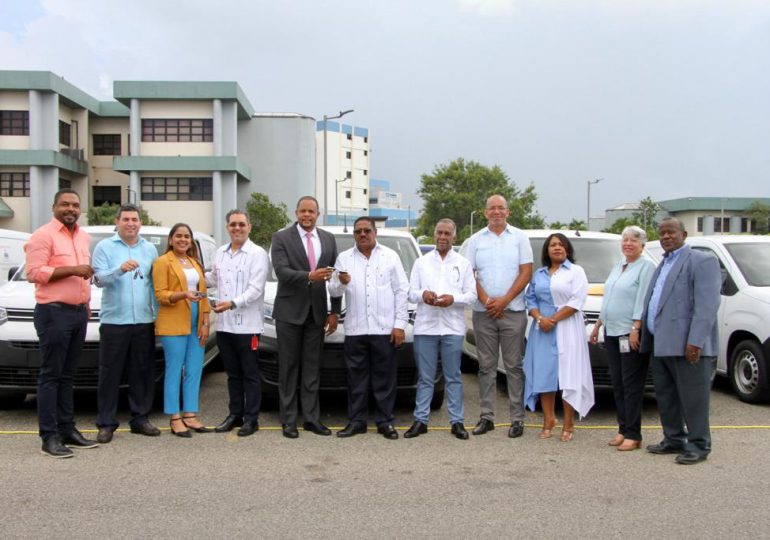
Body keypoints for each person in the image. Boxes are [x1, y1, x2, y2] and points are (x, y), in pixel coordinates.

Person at [640, 217, 721, 465]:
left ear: (684, 234)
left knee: (693, 398)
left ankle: (698, 444)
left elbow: (707, 305)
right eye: (662, 233)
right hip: (661, 342)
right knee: (666, 396)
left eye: (671, 232)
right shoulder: (662, 264)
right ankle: (674, 438)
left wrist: (695, 341)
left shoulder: (701, 261)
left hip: (688, 345)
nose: (666, 237)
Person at [25, 188, 98, 458]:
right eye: (65, 204)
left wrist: (86, 304)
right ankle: (49, 436)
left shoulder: (82, 236)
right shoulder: (43, 236)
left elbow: (84, 276)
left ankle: (68, 429)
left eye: (75, 205)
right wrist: (72, 270)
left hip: (78, 313)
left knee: (68, 376)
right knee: (51, 375)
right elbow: (34, 272)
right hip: (53, 313)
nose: (71, 209)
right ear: (54, 207)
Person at [328, 217, 409, 439]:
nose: (362, 234)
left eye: (366, 231)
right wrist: (340, 282)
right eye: (358, 232)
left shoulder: (390, 256)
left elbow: (402, 291)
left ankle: (385, 422)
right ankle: (357, 421)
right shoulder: (344, 258)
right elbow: (334, 291)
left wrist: (399, 325)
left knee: (385, 378)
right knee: (356, 378)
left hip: (384, 329)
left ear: (375, 232)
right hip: (356, 330)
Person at [270, 196, 341, 439]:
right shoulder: (281, 238)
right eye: (303, 211)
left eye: (311, 211)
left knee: (312, 369)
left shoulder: (328, 239)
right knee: (288, 370)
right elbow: (281, 272)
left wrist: (335, 311)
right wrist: (309, 276)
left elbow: (335, 279)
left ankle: (311, 419)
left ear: (318, 214)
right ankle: (289, 420)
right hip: (289, 314)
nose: (307, 215)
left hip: (317, 314)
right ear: (296, 213)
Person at [464, 194, 533, 438]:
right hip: (484, 313)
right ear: (485, 213)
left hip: (512, 311)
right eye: (491, 208)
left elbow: (526, 272)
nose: (496, 212)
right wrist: (485, 300)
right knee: (486, 367)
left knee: (514, 366)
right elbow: (469, 273)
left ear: (508, 212)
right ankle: (487, 417)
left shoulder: (520, 238)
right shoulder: (475, 240)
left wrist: (504, 301)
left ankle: (517, 419)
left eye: (500, 208)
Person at [92, 204, 160, 443]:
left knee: (141, 371)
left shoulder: (149, 249)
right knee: (110, 373)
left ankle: (140, 419)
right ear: (117, 221)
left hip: (142, 320)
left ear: (140, 223)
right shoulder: (104, 247)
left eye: (135, 219)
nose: (131, 223)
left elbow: (153, 285)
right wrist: (119, 269)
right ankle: (106, 423)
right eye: (126, 219)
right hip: (114, 321)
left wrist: (157, 315)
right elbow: (99, 280)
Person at [405, 219, 476, 440]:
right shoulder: (421, 262)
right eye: (439, 233)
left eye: (447, 233)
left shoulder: (463, 263)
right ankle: (421, 420)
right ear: (433, 234)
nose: (442, 237)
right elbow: (410, 292)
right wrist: (423, 295)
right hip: (426, 326)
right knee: (425, 377)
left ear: (454, 237)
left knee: (453, 376)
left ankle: (457, 421)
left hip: (452, 327)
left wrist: (452, 299)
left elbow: (472, 295)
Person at [523, 233, 594, 442]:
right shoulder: (540, 273)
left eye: (561, 245)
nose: (557, 248)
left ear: (568, 249)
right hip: (542, 330)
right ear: (547, 250)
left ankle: (568, 424)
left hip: (566, 328)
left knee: (568, 376)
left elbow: (576, 301)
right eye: (553, 245)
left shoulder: (575, 271)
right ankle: (548, 420)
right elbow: (530, 299)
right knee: (545, 375)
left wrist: (551, 320)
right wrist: (539, 318)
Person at [589, 226, 655, 451]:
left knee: (632, 384)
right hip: (612, 330)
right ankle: (622, 428)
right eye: (625, 240)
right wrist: (598, 324)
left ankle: (634, 434)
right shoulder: (619, 265)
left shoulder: (646, 267)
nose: (628, 243)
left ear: (642, 245)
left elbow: (643, 299)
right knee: (617, 382)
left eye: (633, 241)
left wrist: (636, 326)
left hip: (630, 332)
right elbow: (609, 298)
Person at [206, 210, 269, 437]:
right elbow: (213, 279)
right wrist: (189, 275)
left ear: (249, 227)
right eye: (233, 224)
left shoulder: (257, 254)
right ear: (227, 228)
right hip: (224, 325)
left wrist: (232, 303)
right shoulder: (221, 253)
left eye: (241, 224)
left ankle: (251, 419)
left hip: (248, 326)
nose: (237, 228)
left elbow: (256, 289)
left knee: (250, 373)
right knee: (232, 374)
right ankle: (235, 414)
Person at [152, 223, 212, 438]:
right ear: (171, 239)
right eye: (179, 236)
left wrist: (205, 322)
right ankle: (174, 416)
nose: (183, 240)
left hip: (196, 321)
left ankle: (190, 413)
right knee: (175, 369)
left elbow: (203, 294)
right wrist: (183, 294)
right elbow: (160, 295)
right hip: (173, 321)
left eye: (187, 236)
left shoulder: (195, 263)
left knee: (195, 368)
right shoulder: (162, 262)